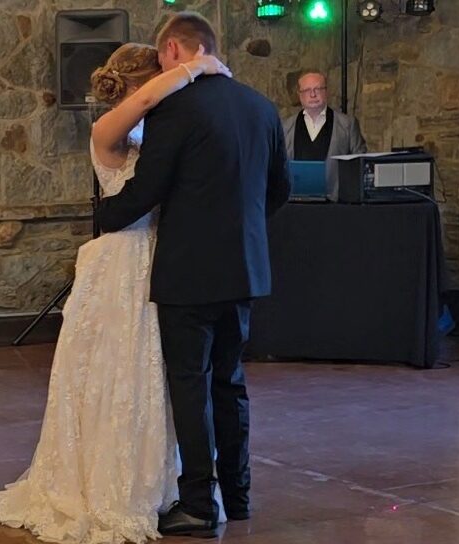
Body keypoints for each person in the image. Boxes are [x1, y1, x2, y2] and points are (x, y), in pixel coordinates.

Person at [0, 42, 232, 544]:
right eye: (158, 78)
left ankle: (151, 480)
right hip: (122, 258)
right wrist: (196, 66)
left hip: (156, 256)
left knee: (148, 375)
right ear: (142, 83)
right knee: (115, 369)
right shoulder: (108, 129)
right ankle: (105, 483)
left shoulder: (154, 131)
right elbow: (139, 108)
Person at [95, 12, 291, 539]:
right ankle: (240, 494)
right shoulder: (262, 106)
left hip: (188, 272)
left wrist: (102, 220)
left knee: (191, 386)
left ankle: (200, 503)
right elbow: (279, 192)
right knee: (231, 383)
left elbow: (147, 190)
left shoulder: (175, 110)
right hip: (245, 269)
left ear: (176, 51)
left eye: (162, 58)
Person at [283, 71, 367, 160]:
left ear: (326, 92)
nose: (313, 95)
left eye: (318, 89)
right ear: (299, 95)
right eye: (307, 90)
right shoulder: (286, 127)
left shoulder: (348, 125)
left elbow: (360, 164)